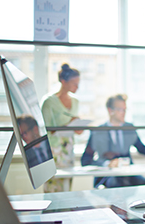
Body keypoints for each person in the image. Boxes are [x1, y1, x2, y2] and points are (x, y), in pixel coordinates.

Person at [81, 94, 145, 188]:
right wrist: (107, 164)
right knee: (117, 183)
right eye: (120, 109)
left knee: (144, 182)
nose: (123, 113)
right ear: (110, 110)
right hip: (107, 176)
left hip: (127, 174)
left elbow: (142, 149)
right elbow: (86, 160)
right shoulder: (98, 131)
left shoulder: (129, 128)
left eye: (125, 109)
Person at [41, 63, 83, 192]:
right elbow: (44, 130)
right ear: (63, 81)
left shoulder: (76, 101)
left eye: (78, 83)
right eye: (74, 83)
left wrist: (78, 127)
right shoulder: (49, 101)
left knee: (66, 187)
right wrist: (67, 124)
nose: (77, 86)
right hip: (53, 151)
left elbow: (76, 129)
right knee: (53, 187)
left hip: (69, 150)